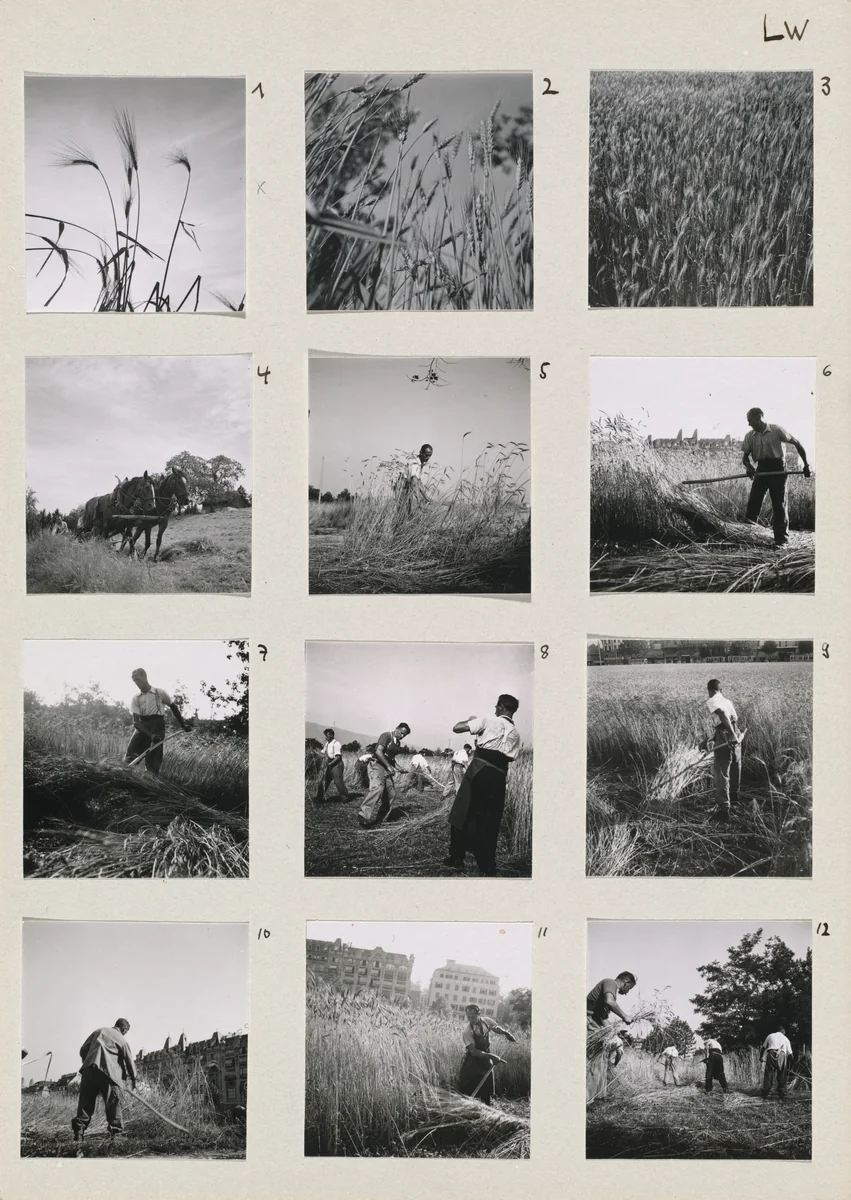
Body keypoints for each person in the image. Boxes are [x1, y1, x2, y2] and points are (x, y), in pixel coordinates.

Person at [444, 695, 521, 875]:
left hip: (480, 769)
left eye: (497, 706)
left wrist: (471, 721)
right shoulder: (516, 734)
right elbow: (511, 756)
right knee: (491, 819)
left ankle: (456, 858)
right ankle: (488, 865)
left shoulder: (489, 720)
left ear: (501, 707)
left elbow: (457, 728)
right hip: (500, 775)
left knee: (461, 812)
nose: (495, 709)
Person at [742, 407, 811, 548]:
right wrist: (748, 466)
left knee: (779, 505)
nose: (749, 424)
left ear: (759, 417)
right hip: (761, 470)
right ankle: (748, 537)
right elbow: (745, 458)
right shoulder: (750, 436)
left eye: (750, 420)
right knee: (753, 504)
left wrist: (806, 465)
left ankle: (782, 540)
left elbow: (797, 443)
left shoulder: (777, 430)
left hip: (778, 470)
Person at [71, 1018, 136, 1145]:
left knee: (85, 1103)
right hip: (109, 1074)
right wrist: (134, 1079)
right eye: (125, 1032)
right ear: (124, 1029)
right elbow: (129, 1061)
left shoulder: (99, 1031)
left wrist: (89, 1061)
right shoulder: (121, 1039)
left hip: (89, 1070)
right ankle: (116, 1136)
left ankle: (78, 1134)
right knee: (113, 1103)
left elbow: (83, 1049)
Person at [125, 668, 190, 775]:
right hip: (142, 727)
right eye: (134, 680)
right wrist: (150, 735)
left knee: (153, 761)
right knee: (129, 758)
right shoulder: (136, 698)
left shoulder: (159, 693)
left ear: (144, 677)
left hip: (158, 726)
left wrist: (183, 725)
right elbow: (136, 722)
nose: (136, 682)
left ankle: (150, 783)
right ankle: (124, 779)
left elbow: (173, 707)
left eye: (137, 679)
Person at [586, 972, 637, 1103]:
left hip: (595, 1024)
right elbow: (610, 1001)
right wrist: (624, 1016)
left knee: (600, 1060)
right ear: (626, 982)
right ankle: (587, 1099)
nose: (626, 992)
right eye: (629, 989)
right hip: (587, 1022)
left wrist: (615, 1034)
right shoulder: (610, 983)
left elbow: (603, 1018)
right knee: (593, 1059)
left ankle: (596, 1096)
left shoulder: (608, 993)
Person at [457, 1004, 517, 1107]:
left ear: (479, 1014)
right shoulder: (467, 1031)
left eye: (473, 1016)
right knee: (467, 1087)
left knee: (486, 1086)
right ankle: (466, 1108)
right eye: (468, 1017)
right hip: (473, 1060)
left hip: (486, 1056)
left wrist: (507, 1033)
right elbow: (474, 1051)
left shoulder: (486, 1021)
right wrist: (492, 1057)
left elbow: (496, 1028)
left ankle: (487, 1108)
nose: (471, 1019)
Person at [358, 723, 411, 828]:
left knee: (391, 794)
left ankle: (381, 818)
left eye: (404, 735)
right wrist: (388, 766)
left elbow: (391, 759)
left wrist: (399, 768)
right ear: (397, 729)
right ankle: (363, 815)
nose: (402, 736)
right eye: (401, 733)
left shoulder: (397, 743)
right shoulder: (386, 736)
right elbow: (378, 752)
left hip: (386, 769)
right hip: (377, 765)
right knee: (378, 788)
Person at [704, 679, 743, 822]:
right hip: (736, 736)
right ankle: (734, 799)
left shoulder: (713, 700)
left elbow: (722, 715)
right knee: (735, 767)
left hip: (727, 736)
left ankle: (724, 810)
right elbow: (734, 719)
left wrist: (730, 734)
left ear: (710, 690)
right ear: (721, 690)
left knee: (722, 772)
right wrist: (734, 733)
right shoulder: (728, 701)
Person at [394, 444, 433, 521]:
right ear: (421, 452)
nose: (427, 458)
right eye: (426, 455)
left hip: (408, 488)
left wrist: (426, 497)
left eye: (429, 456)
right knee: (402, 514)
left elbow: (418, 482)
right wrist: (419, 502)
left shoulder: (420, 462)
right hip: (402, 488)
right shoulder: (414, 462)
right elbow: (414, 483)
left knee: (409, 512)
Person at [315, 728, 350, 803]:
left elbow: (338, 757)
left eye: (327, 735)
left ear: (331, 735)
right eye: (325, 735)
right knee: (324, 780)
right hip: (329, 763)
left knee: (338, 781)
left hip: (337, 763)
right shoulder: (327, 743)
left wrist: (330, 764)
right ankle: (319, 797)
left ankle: (345, 797)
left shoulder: (336, 744)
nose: (326, 737)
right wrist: (315, 753)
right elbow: (323, 752)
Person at [761, 1026, 793, 1099]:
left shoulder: (770, 1035)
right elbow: (790, 1054)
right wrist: (791, 1062)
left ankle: (766, 1093)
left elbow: (763, 1047)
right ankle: (782, 1094)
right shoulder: (785, 1039)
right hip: (781, 1054)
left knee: (769, 1073)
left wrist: (761, 1057)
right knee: (782, 1074)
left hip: (771, 1053)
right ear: (783, 1032)